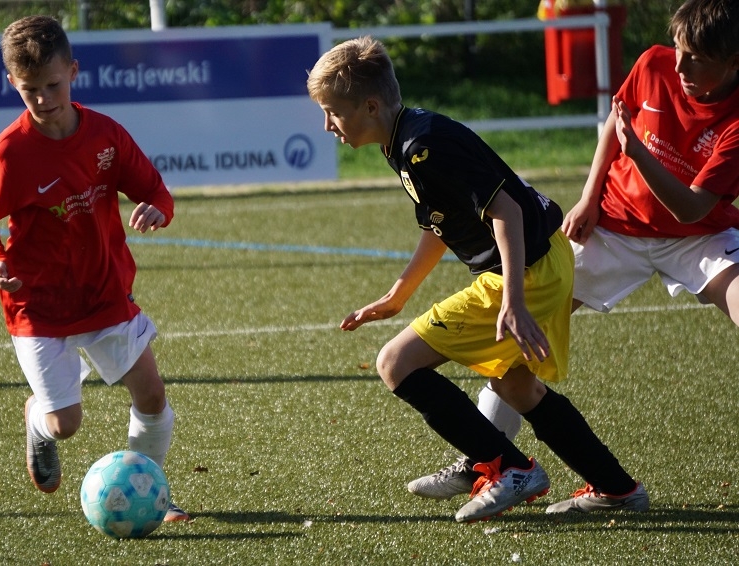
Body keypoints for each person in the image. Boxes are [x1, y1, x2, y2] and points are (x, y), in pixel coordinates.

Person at [411, 0, 739, 514]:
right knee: (517, 331)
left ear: (734, 61)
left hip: (698, 236)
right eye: (679, 50)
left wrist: (640, 154)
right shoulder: (654, 63)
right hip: (615, 227)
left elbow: (693, 206)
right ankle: (488, 461)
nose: (679, 65)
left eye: (696, 57)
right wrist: (589, 197)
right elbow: (615, 126)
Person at [306, 36, 647, 523]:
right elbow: (438, 225)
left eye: (333, 112)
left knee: (395, 362)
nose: (328, 125)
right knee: (515, 386)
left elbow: (506, 210)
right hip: (542, 262)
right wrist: (396, 296)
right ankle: (617, 488)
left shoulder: (423, 147)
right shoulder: (402, 139)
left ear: (371, 106)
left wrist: (513, 300)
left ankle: (507, 468)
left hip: (525, 271)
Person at [0, 15, 188, 522]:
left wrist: (159, 210)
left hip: (103, 292)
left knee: (152, 394)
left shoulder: (105, 135)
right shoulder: (10, 152)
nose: (43, 99)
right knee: (65, 424)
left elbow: (156, 190)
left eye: (52, 85)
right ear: (12, 83)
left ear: (72, 71)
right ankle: (37, 420)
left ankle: (152, 493)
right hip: (38, 303)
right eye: (30, 90)